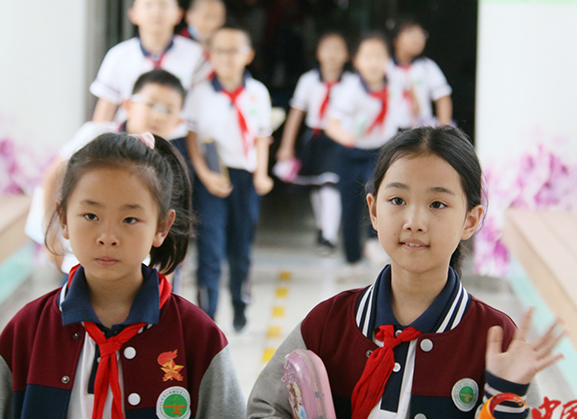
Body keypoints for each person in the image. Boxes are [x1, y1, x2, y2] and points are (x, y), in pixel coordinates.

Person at [241, 125, 561, 419]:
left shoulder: (494, 341)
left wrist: (504, 399)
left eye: (437, 203)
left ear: (471, 220)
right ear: (374, 210)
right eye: (397, 200)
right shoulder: (328, 323)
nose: (414, 221)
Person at [0, 133, 246, 419]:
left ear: (162, 227)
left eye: (130, 219)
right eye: (90, 216)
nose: (107, 236)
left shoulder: (197, 337)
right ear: (64, 219)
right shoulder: (27, 331)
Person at [37, 69, 189, 274]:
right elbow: (52, 179)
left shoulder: (169, 160)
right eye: (151, 104)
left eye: (168, 110)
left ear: (179, 121)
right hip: (82, 262)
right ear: (127, 105)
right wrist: (52, 238)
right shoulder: (95, 135)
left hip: (142, 269)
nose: (157, 115)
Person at [185, 26, 273, 331]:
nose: (225, 57)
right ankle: (205, 317)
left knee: (241, 247)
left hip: (246, 177)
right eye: (219, 50)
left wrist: (262, 174)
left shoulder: (257, 92)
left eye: (233, 50)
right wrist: (205, 176)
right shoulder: (199, 92)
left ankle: (240, 304)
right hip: (212, 178)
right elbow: (193, 140)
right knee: (210, 246)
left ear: (248, 55)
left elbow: (262, 137)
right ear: (209, 55)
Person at [324, 32, 413, 273]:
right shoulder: (350, 88)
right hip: (350, 152)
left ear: (388, 60)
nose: (374, 63)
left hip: (381, 151)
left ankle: (376, 244)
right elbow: (331, 124)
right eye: (368, 56)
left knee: (379, 196)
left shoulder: (395, 84)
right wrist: (347, 137)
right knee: (351, 203)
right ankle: (351, 257)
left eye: (379, 56)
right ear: (357, 61)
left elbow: (407, 116)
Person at [277, 31, 352, 252]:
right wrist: (286, 146)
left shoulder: (352, 82)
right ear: (318, 53)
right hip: (315, 137)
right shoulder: (308, 80)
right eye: (327, 48)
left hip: (339, 139)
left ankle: (329, 236)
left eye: (338, 49)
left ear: (347, 55)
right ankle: (322, 227)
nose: (332, 54)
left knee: (331, 185)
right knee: (316, 186)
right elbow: (296, 114)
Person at [90, 0, 204, 123]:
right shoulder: (119, 55)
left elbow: (200, 106)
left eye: (164, 5)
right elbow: (105, 110)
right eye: (148, 5)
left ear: (178, 15)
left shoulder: (194, 54)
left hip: (175, 140)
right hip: (130, 140)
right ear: (133, 14)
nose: (156, 11)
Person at [389, 17, 453, 127]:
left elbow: (443, 98)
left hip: (420, 130)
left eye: (421, 34)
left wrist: (444, 130)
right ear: (395, 40)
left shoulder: (427, 66)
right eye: (411, 34)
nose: (418, 39)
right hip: (391, 132)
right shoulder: (385, 67)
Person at [180, 0, 227, 85]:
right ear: (189, 16)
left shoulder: (226, 47)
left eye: (218, 18)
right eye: (207, 17)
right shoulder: (177, 44)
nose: (213, 24)